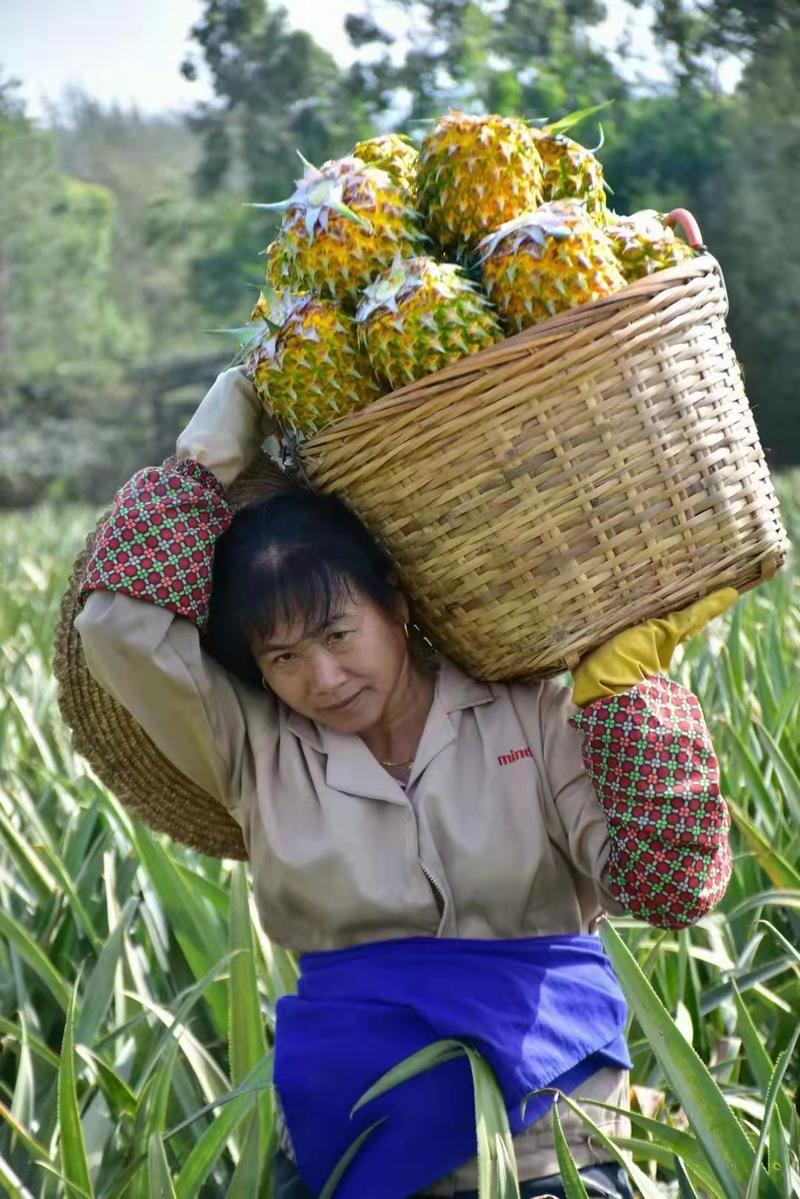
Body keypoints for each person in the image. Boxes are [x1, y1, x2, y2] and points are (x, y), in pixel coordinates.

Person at [74, 367, 735, 1198]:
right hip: (347, 1144)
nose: (322, 676)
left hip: (553, 1144)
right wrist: (209, 454)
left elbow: (669, 887)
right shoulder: (256, 751)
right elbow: (115, 625)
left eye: (338, 633)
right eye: (282, 658)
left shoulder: (527, 716)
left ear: (394, 602)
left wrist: (625, 698)